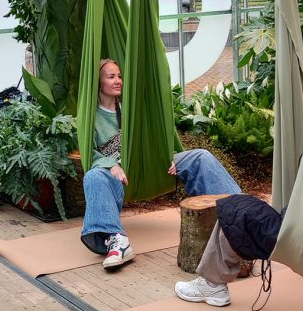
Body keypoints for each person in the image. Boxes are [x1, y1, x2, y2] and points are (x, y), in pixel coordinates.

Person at [81, 59, 240, 271]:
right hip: (119, 175)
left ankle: (240, 214)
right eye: (111, 77)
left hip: (150, 168)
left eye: (119, 76)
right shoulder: (90, 117)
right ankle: (116, 240)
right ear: (98, 83)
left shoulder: (131, 108)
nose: (118, 81)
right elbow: (87, 153)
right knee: (92, 177)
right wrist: (110, 165)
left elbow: (152, 137)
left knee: (200, 157)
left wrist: (165, 157)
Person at [174, 194, 283, 307]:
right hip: (293, 223)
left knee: (235, 210)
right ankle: (214, 284)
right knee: (238, 203)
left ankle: (212, 284)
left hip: (291, 231)